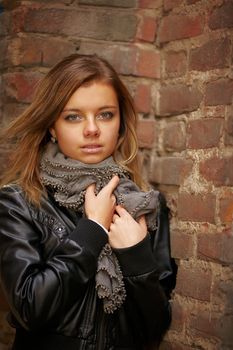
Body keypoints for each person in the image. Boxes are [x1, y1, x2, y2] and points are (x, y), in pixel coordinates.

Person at [0, 54, 175, 350]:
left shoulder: (145, 205)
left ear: (119, 124)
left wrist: (135, 256)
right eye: (73, 116)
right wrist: (92, 230)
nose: (92, 129)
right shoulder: (18, 202)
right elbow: (29, 308)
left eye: (105, 114)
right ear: (52, 127)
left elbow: (155, 328)